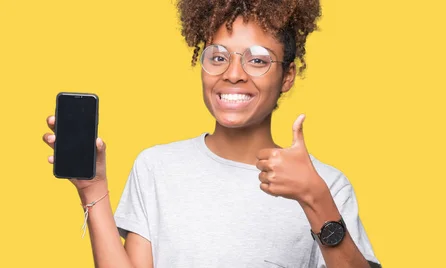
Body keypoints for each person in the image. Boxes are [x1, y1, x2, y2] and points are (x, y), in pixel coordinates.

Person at [42, 0, 381, 267]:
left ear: (288, 76)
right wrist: (93, 189)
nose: (233, 74)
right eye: (218, 57)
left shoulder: (327, 185)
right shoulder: (157, 168)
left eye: (258, 61)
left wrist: (316, 200)